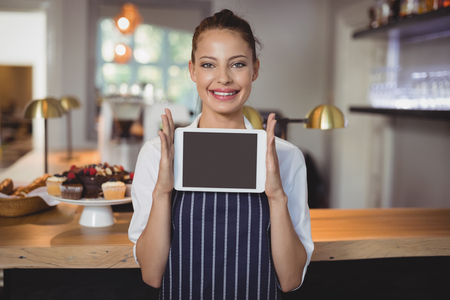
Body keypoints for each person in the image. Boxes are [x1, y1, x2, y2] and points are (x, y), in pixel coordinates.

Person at [128, 9, 314, 300]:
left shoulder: (287, 157)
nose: (223, 78)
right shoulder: (157, 154)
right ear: (192, 71)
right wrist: (162, 193)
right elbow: (151, 275)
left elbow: (290, 279)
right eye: (208, 65)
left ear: (254, 69)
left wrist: (277, 197)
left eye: (237, 64)